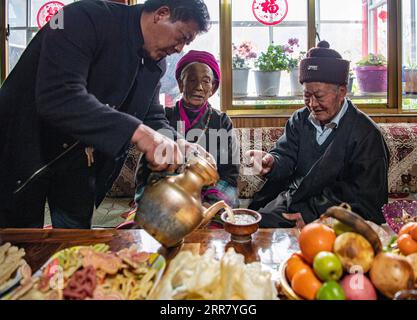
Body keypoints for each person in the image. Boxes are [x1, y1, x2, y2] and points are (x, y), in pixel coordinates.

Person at [0, 0, 211, 228]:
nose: (179, 49)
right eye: (181, 37)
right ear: (161, 14)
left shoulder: (155, 63)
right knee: (20, 248)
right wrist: (137, 132)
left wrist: (178, 142)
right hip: (24, 146)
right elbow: (59, 95)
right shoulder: (82, 19)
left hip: (78, 160)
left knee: (77, 247)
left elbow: (151, 115)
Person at [246, 41, 389, 227]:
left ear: (342, 92)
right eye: (306, 95)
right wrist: (271, 162)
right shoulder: (300, 118)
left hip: (334, 213)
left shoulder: (366, 134)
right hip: (293, 200)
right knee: (253, 225)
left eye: (319, 96)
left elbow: (366, 197)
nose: (312, 104)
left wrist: (312, 214)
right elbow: (286, 156)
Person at [135, 50, 240, 214]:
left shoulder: (221, 122)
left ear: (212, 88)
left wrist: (207, 205)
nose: (198, 87)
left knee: (220, 216)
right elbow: (145, 172)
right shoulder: (161, 118)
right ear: (180, 83)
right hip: (165, 197)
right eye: (191, 80)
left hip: (208, 199)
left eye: (206, 82)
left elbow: (230, 174)